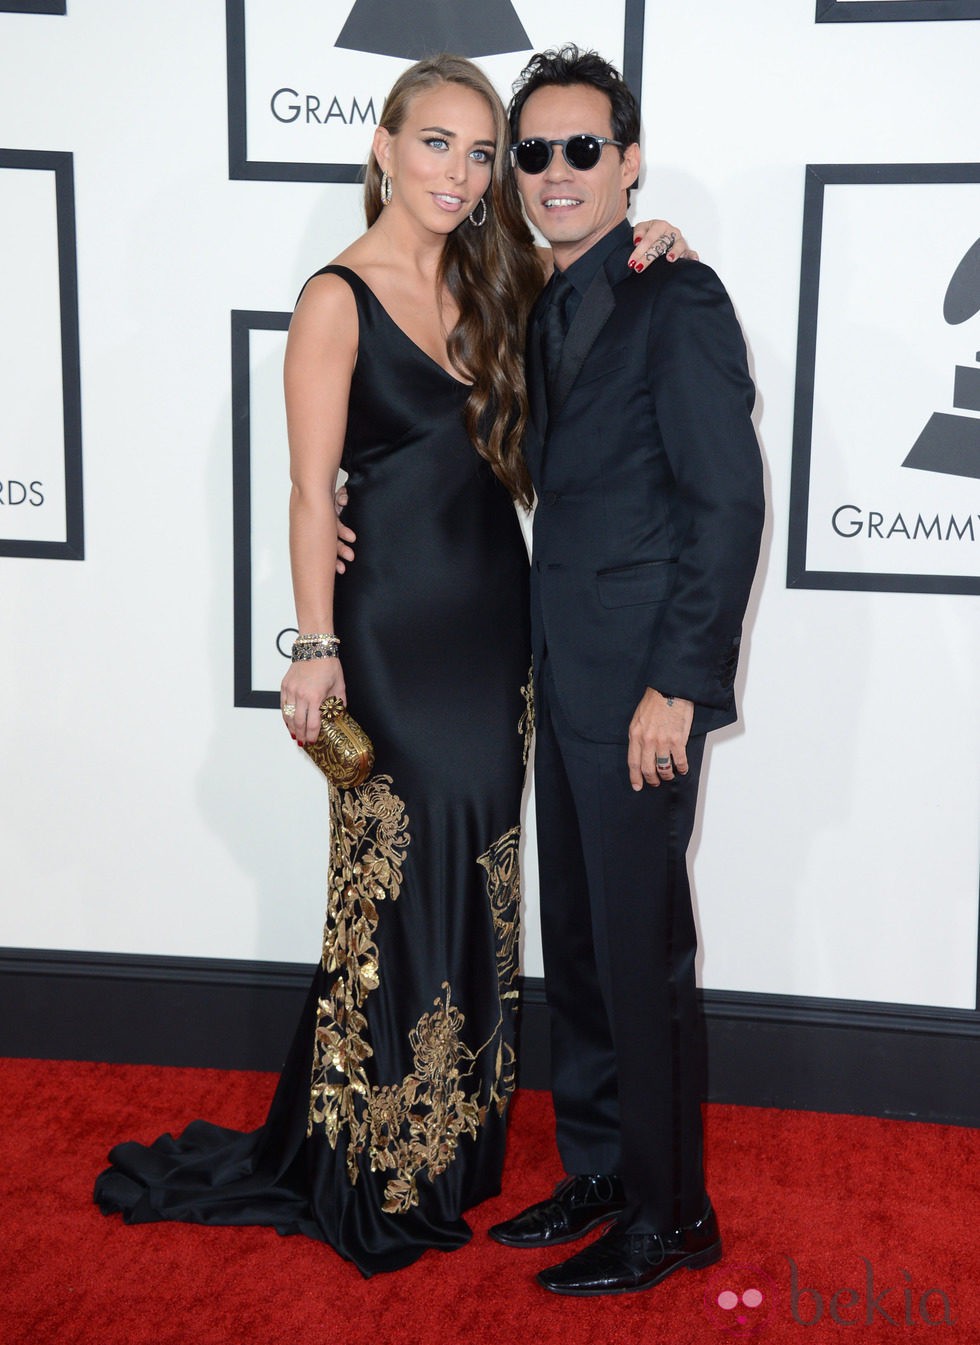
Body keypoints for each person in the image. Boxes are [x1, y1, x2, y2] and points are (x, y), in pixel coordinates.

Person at [93, 53, 691, 1278]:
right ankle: (371, 1160)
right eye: (440, 145)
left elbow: (588, 324)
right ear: (381, 145)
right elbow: (313, 492)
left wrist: (655, 241)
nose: (464, 175)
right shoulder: (334, 297)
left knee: (480, 875)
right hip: (392, 637)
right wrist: (313, 647)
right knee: (394, 885)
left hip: (497, 630)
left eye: (483, 154)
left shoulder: (500, 277)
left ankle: (454, 1143)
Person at [484, 47, 765, 1296]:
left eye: (580, 150)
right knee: (586, 948)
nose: (554, 173)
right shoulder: (544, 300)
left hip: (642, 691)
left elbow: (726, 504)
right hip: (566, 678)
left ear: (626, 159)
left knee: (641, 957)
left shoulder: (678, 296)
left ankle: (671, 1214)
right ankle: (600, 1169)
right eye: (531, 151)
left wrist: (680, 685)